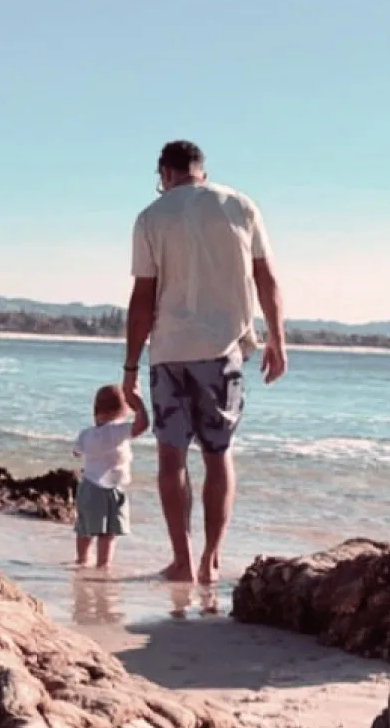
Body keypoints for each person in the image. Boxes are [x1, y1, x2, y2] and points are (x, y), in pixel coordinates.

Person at [123, 140, 286, 586]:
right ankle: (211, 559)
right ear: (202, 169)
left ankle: (181, 559)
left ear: (164, 171)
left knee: (171, 457)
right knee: (218, 455)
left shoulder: (151, 218)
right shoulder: (239, 204)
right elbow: (266, 277)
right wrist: (277, 339)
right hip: (223, 350)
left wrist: (129, 369)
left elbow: (142, 300)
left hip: (170, 351)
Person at [73, 383, 149, 570]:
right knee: (108, 533)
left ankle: (82, 559)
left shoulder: (86, 434)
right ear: (122, 410)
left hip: (88, 486)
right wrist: (139, 403)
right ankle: (103, 564)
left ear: (95, 409)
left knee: (85, 528)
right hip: (112, 488)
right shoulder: (117, 431)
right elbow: (143, 425)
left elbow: (77, 452)